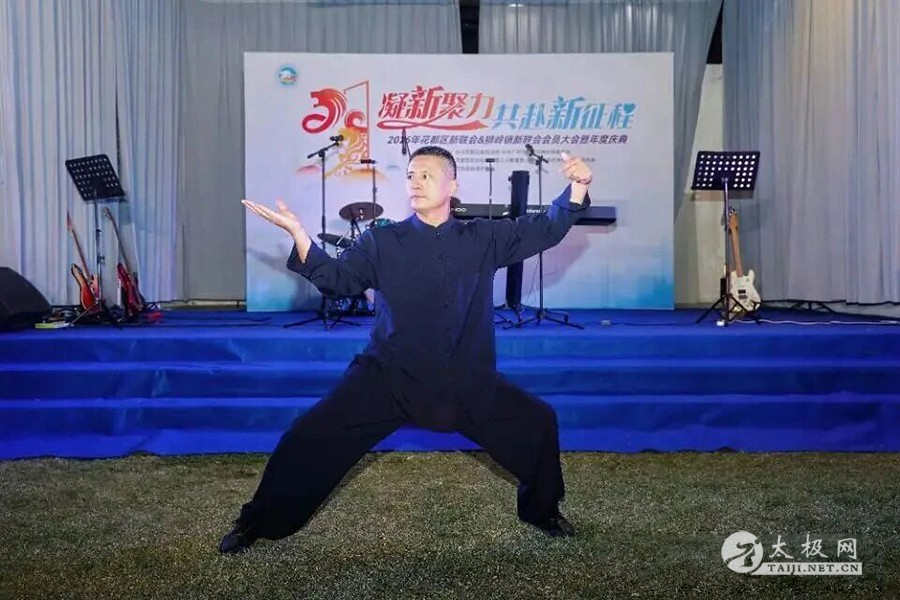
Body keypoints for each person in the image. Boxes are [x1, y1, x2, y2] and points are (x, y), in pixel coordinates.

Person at [224, 146, 593, 554]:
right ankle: (256, 521)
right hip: (389, 378)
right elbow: (338, 280)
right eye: (411, 175)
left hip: (466, 380)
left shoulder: (484, 238)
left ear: (453, 185)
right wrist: (300, 236)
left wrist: (577, 187)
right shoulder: (382, 241)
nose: (415, 183)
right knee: (306, 438)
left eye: (427, 175)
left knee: (538, 422)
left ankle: (542, 510)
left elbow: (545, 227)